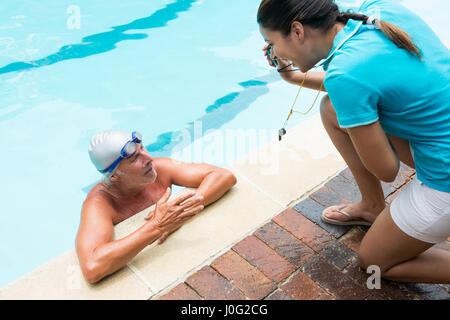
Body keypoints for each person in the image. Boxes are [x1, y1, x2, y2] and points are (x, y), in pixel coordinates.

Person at [258, 0, 450, 283]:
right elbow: (358, 80)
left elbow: (386, 170)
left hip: (443, 182)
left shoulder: (346, 76)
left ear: (297, 31)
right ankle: (372, 206)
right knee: (332, 108)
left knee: (374, 263)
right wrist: (293, 76)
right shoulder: (378, 10)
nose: (274, 52)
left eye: (271, 43)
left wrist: (370, 115)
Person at [76, 130, 237, 283]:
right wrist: (157, 226)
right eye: (135, 159)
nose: (149, 158)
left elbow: (223, 176)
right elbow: (92, 267)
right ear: (114, 176)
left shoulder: (160, 168)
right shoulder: (98, 204)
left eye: (143, 148)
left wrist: (182, 211)